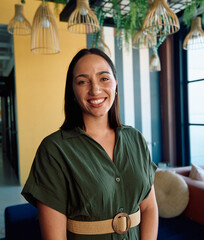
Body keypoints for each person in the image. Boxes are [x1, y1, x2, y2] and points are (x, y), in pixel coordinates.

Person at [21, 48, 158, 240]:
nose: (95, 89)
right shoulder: (54, 149)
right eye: (83, 81)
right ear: (73, 91)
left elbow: (149, 207)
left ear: (115, 85)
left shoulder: (135, 139)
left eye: (104, 78)